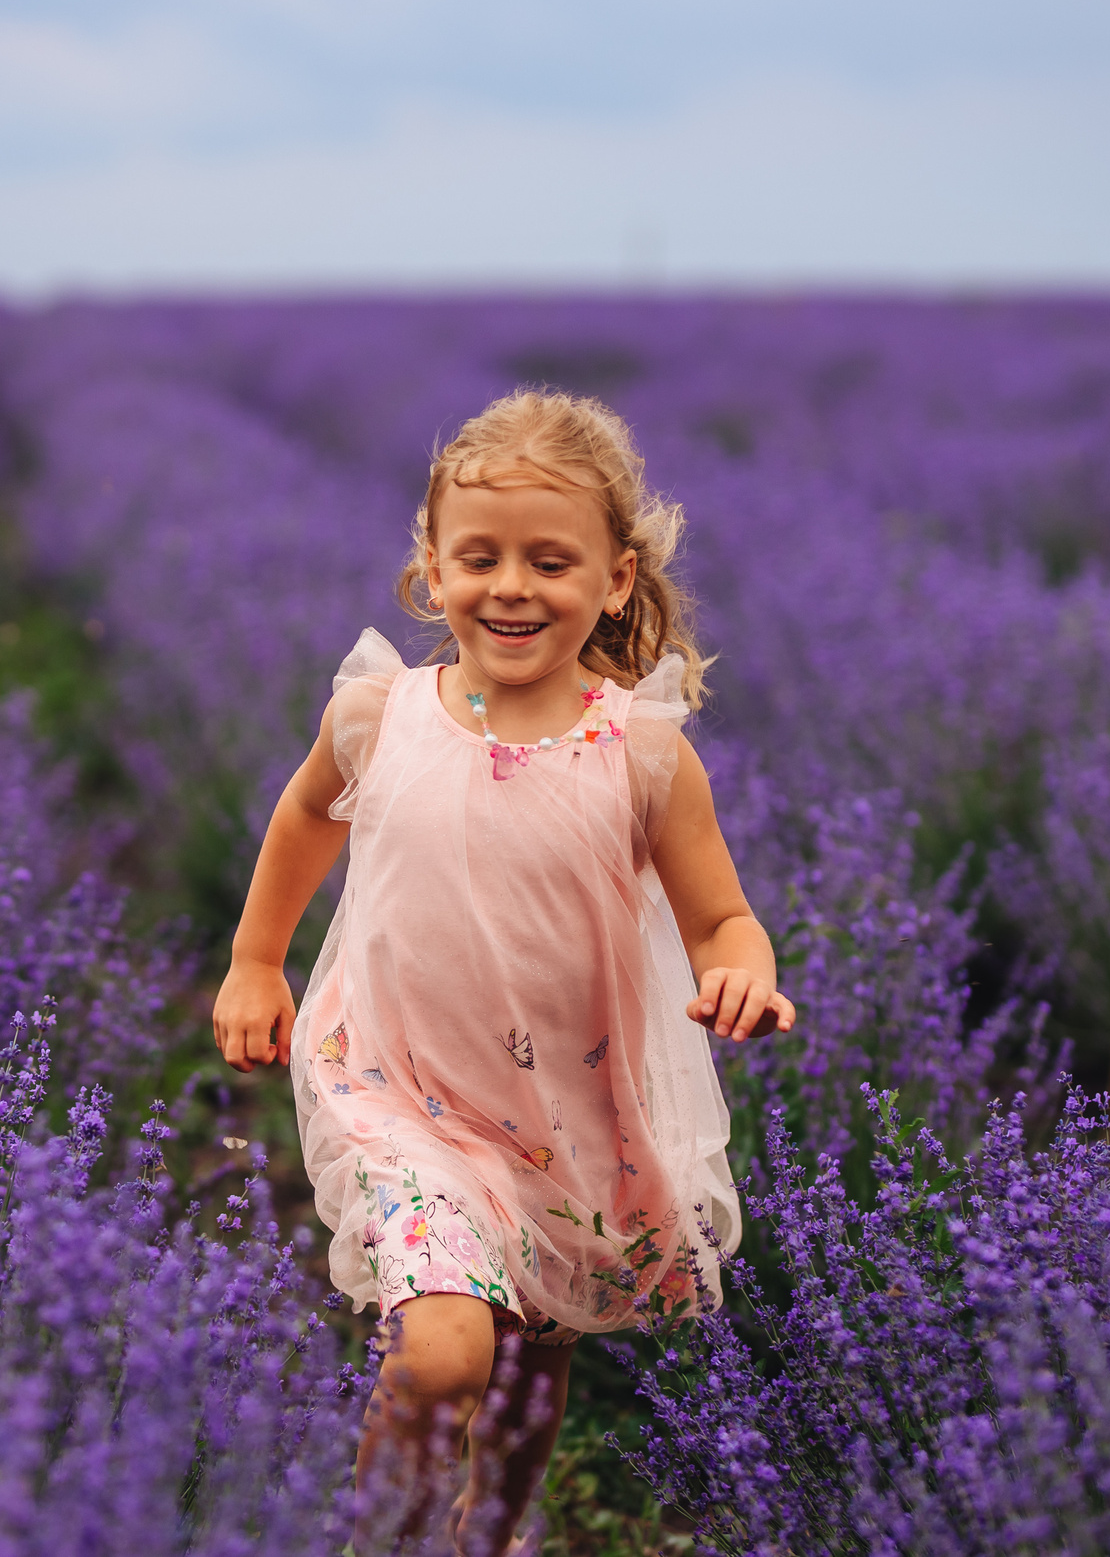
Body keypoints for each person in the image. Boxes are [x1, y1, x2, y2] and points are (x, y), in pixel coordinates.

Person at [211, 389, 795, 1552]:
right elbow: (299, 825)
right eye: (478, 557)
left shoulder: (640, 752)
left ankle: (496, 1532)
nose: (511, 586)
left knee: (531, 1359)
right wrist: (253, 960)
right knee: (443, 1353)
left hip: (563, 1107)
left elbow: (723, 917)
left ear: (615, 580)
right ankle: (386, 1538)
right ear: (432, 570)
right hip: (396, 1086)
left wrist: (743, 974)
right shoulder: (381, 716)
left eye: (549, 560)